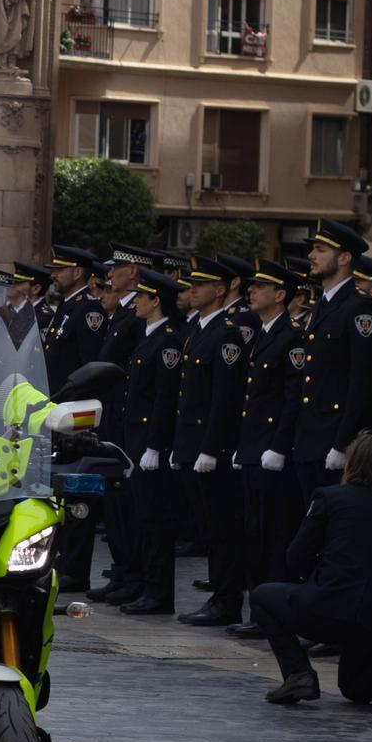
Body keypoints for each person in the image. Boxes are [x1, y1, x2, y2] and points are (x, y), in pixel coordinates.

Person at [252, 433, 372, 709]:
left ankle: (298, 674)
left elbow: (295, 556)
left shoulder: (330, 497)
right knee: (356, 691)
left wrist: (316, 579)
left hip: (327, 605)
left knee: (262, 596)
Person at [224, 260, 304, 635]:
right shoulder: (265, 332)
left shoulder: (290, 337)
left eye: (261, 287)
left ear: (280, 295)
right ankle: (259, 610)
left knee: (273, 535)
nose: (252, 291)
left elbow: (291, 400)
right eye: (252, 286)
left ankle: (270, 614)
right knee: (254, 532)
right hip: (255, 447)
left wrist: (278, 447)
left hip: (272, 453)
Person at [168, 258, 248, 627]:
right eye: (191, 285)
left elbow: (224, 398)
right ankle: (220, 593)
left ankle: (226, 599)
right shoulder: (197, 330)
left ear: (220, 290)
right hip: (191, 442)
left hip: (209, 447)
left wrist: (210, 448)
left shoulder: (227, 333)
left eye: (201, 285)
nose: (192, 290)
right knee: (209, 527)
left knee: (222, 528)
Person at [290, 220, 372, 500]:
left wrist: (344, 443)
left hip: (335, 437)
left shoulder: (359, 308)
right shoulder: (323, 305)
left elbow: (362, 381)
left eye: (320, 249)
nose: (311, 256)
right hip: (310, 435)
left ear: (344, 258)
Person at [114, 269, 184, 616]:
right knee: (141, 516)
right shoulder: (148, 335)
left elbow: (164, 398)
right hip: (136, 438)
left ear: (156, 301)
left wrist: (155, 445)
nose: (136, 301)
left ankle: (159, 592)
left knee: (155, 520)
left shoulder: (167, 340)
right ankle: (145, 585)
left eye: (142, 296)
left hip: (149, 442)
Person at [43, 246, 109, 593]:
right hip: (55, 415)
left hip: (74, 418)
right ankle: (62, 559)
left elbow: (89, 368)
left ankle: (76, 568)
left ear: (78, 273)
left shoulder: (87, 313)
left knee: (76, 493)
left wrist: (81, 420)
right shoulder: (66, 309)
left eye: (61, 268)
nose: (54, 274)